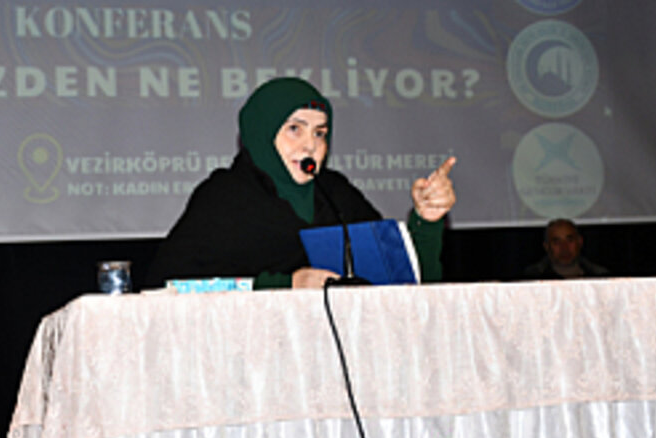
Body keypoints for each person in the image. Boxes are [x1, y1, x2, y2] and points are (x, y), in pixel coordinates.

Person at [143, 77, 456, 289]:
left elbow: (407, 285)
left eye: (320, 133)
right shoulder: (225, 197)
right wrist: (286, 284)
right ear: (263, 133)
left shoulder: (335, 194)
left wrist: (427, 222)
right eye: (295, 129)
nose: (311, 145)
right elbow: (168, 286)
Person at [522, 218, 609, 279]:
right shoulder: (532, 278)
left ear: (580, 242)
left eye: (570, 240)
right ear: (546, 246)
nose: (564, 247)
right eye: (557, 242)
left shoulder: (600, 276)